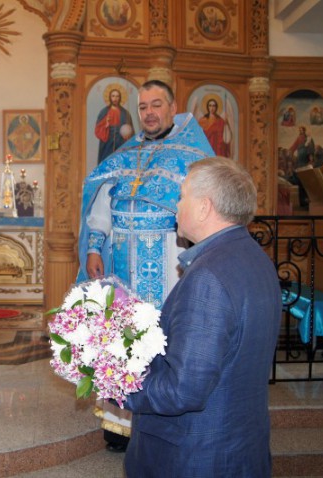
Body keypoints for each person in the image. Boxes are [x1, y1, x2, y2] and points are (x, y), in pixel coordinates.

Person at [123, 156, 282, 477]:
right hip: (240, 448)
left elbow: (182, 390)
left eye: (182, 196)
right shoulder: (257, 259)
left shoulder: (208, 276)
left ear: (204, 207)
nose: (176, 206)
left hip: (196, 457)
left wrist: (117, 384)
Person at [78, 79, 214, 452]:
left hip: (169, 261)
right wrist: (94, 248)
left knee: (163, 340)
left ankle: (161, 422)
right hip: (122, 261)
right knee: (121, 338)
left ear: (172, 108)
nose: (149, 113)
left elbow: (208, 210)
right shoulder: (126, 153)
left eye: (156, 105)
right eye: (143, 107)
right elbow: (102, 204)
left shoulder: (193, 153)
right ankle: (120, 425)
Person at [94, 88, 135, 165]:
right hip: (107, 143)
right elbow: (98, 130)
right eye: (113, 96)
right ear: (110, 97)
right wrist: (106, 124)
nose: (115, 98)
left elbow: (131, 131)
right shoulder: (104, 112)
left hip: (121, 141)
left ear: (120, 98)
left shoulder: (125, 113)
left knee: (121, 163)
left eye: (117, 96)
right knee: (107, 163)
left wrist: (127, 133)